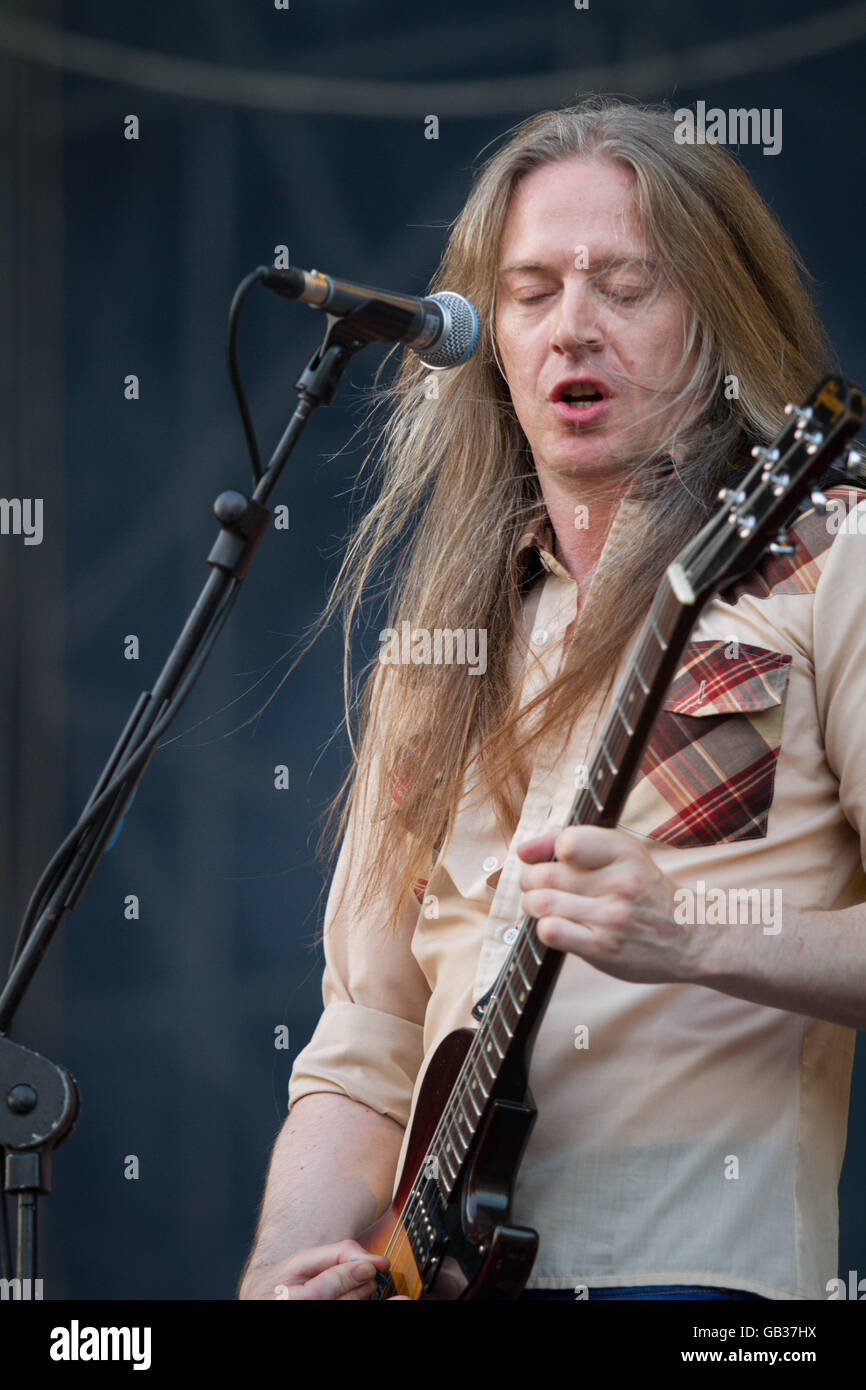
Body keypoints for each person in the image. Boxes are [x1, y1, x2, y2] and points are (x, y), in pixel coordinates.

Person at [237, 96, 866, 1301]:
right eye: (528, 294)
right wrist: (277, 1267)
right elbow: (367, 1041)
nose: (571, 326)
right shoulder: (433, 656)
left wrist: (689, 935)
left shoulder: (828, 560)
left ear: (715, 317)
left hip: (695, 1281)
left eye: (624, 287)